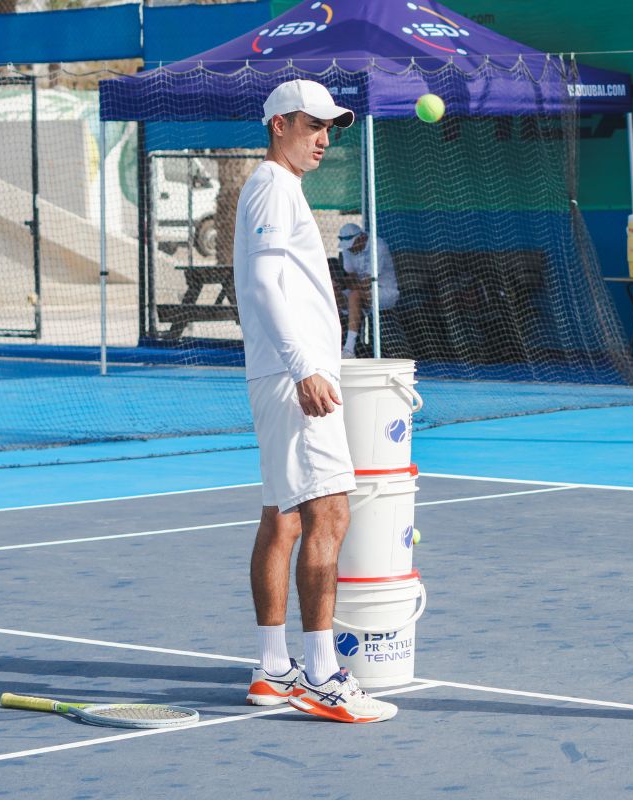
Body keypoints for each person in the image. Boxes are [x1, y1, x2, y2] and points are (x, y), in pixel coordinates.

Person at [233, 79, 397, 723]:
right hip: (290, 376)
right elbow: (266, 282)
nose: (324, 137)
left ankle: (273, 669)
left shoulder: (275, 188)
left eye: (330, 127)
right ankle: (323, 675)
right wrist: (306, 367)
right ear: (279, 124)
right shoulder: (273, 186)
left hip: (279, 374)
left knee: (284, 517)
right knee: (329, 514)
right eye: (312, 124)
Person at [336, 222, 399, 357]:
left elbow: (366, 283)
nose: (350, 250)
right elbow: (351, 278)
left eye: (352, 246)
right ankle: (335, 344)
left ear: (362, 238)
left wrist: (352, 284)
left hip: (386, 292)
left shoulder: (378, 246)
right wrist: (346, 284)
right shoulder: (348, 249)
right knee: (334, 294)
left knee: (354, 296)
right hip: (362, 292)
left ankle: (349, 349)